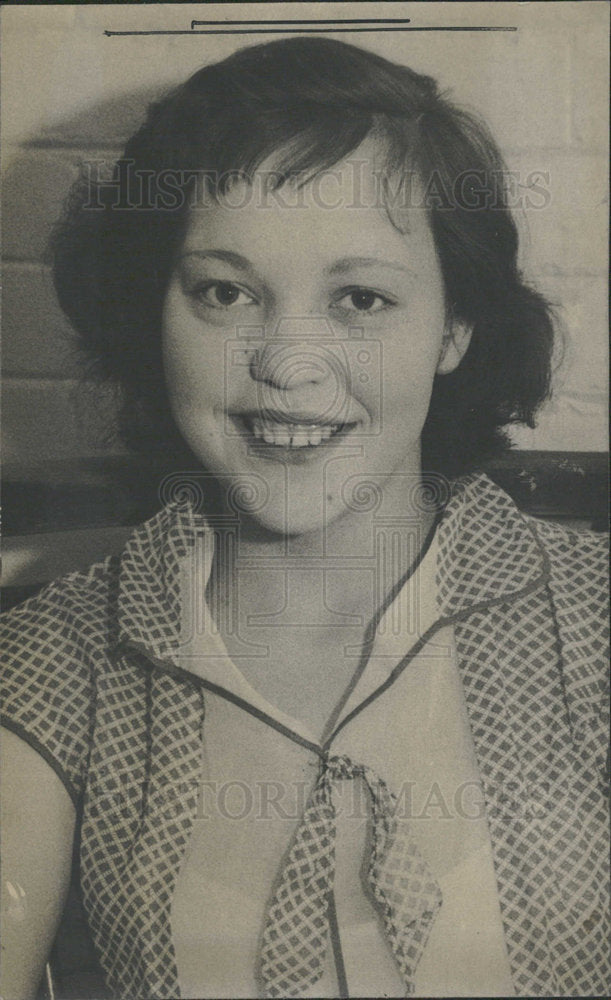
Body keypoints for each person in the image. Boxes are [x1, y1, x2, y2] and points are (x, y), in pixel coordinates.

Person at [1, 36, 608, 1000]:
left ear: (453, 329)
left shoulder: (594, 623)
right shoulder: (55, 664)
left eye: (359, 298)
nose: (287, 360)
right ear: (153, 314)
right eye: (225, 292)